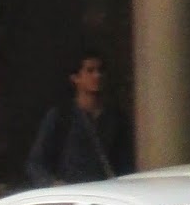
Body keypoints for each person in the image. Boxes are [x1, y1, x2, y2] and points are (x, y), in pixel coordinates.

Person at [24, 48, 134, 186]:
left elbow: (125, 164)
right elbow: (36, 163)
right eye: (90, 71)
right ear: (75, 78)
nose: (97, 76)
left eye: (100, 70)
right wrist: (53, 184)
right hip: (73, 193)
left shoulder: (116, 117)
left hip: (107, 194)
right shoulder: (61, 116)